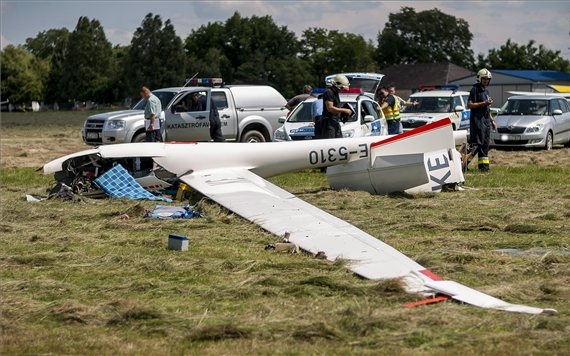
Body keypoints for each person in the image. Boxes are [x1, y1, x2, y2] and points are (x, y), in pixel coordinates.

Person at [466, 68, 496, 172]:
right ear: (479, 78)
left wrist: (492, 121)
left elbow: (487, 108)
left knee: (484, 145)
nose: (486, 81)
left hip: (486, 122)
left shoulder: (486, 91)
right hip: (477, 122)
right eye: (484, 79)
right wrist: (484, 103)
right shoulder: (475, 89)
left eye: (488, 79)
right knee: (476, 145)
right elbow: (469, 104)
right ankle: (463, 164)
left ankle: (484, 168)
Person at [321, 75, 352, 139]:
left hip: (335, 121)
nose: (342, 90)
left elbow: (336, 107)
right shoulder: (329, 92)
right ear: (337, 85)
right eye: (341, 88)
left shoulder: (335, 93)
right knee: (330, 143)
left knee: (339, 141)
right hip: (329, 123)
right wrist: (345, 110)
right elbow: (330, 108)